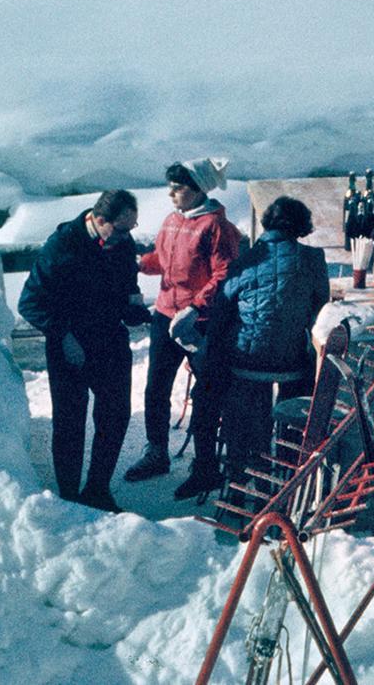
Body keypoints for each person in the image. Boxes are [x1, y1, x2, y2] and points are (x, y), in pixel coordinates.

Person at [17, 187, 147, 512]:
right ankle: (70, 496)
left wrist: (133, 308)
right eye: (120, 229)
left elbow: (127, 286)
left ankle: (97, 490)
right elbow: (29, 303)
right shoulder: (61, 245)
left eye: (130, 229)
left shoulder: (121, 242)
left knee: (115, 416)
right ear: (100, 220)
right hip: (69, 345)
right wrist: (62, 334)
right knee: (70, 422)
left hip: (109, 340)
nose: (125, 236)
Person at [125, 158, 240, 498]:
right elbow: (162, 258)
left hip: (198, 322)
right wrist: (138, 264)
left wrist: (196, 307)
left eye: (179, 188)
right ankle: (156, 451)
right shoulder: (173, 220)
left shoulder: (217, 227)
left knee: (205, 394)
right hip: (165, 314)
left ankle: (205, 466)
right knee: (155, 387)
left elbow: (225, 274)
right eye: (170, 186)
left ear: (199, 189)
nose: (171, 193)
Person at [211, 194, 330, 488]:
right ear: (302, 226)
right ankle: (288, 467)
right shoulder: (313, 259)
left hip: (246, 360)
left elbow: (221, 310)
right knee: (300, 377)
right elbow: (321, 306)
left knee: (247, 397)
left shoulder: (244, 260)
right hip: (289, 360)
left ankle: (248, 469)